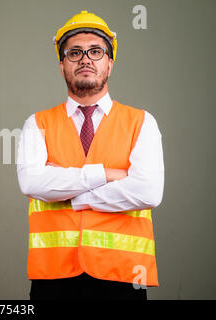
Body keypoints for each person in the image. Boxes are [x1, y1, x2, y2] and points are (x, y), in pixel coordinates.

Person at [16, 10, 164, 300]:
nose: (85, 59)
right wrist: (105, 175)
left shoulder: (142, 122)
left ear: (110, 64)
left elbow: (148, 191)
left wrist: (73, 196)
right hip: (53, 279)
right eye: (74, 53)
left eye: (96, 51)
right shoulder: (37, 124)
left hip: (124, 276)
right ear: (62, 66)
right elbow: (31, 183)